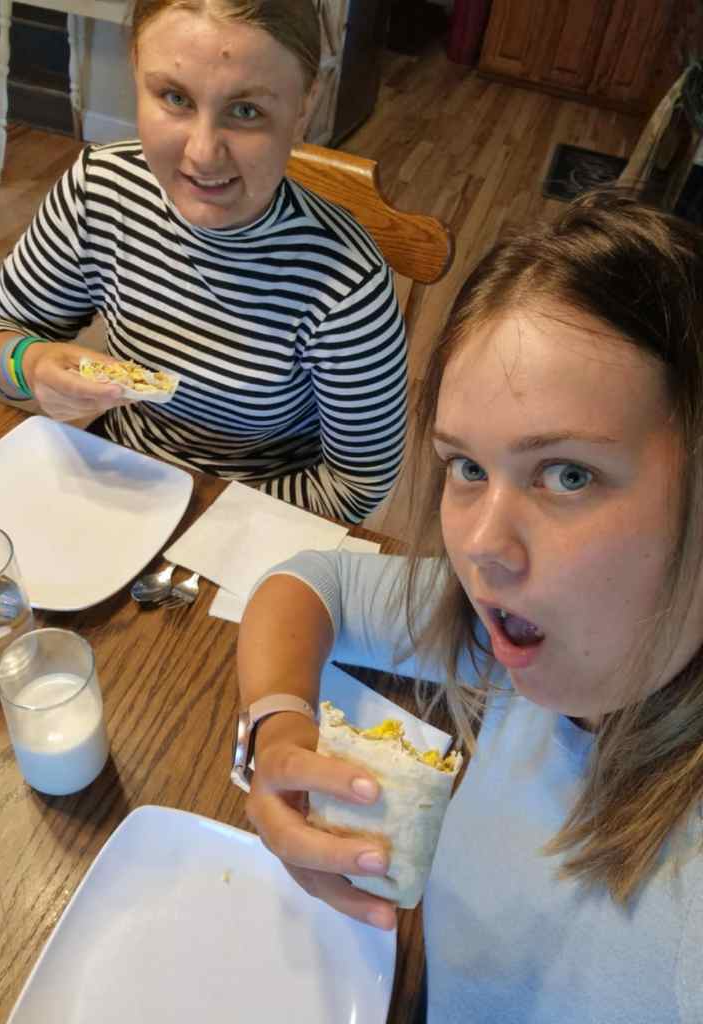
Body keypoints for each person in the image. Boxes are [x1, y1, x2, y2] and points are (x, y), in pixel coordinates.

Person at [236, 189, 703, 1022]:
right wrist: (276, 726)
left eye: (567, 475)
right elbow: (313, 583)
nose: (483, 545)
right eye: (467, 468)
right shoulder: (530, 636)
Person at [0, 0, 407, 524]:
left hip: (254, 518)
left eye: (246, 111)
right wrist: (30, 363)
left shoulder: (347, 285)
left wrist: (197, 513)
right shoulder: (100, 192)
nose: (202, 154)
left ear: (305, 106)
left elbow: (358, 484)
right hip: (116, 480)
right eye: (175, 98)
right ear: (135, 71)